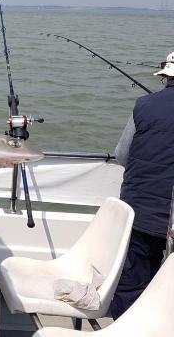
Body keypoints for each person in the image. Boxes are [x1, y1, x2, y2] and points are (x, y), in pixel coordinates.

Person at [109, 51, 174, 319]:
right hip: (162, 217)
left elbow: (122, 155)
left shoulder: (144, 106)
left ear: (166, 78)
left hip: (139, 213)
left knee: (133, 282)